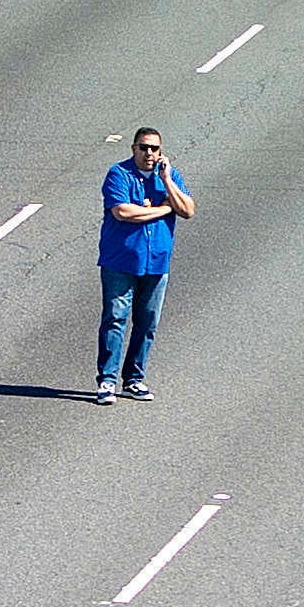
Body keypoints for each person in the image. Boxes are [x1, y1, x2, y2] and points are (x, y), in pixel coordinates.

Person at [95, 126, 196, 404]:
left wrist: (167, 181)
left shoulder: (169, 177)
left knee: (147, 322)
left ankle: (134, 379)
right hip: (121, 261)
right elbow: (124, 212)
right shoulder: (119, 174)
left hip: (156, 263)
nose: (149, 153)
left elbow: (187, 210)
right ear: (133, 149)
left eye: (154, 148)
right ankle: (107, 380)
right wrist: (164, 209)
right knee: (115, 319)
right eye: (143, 147)